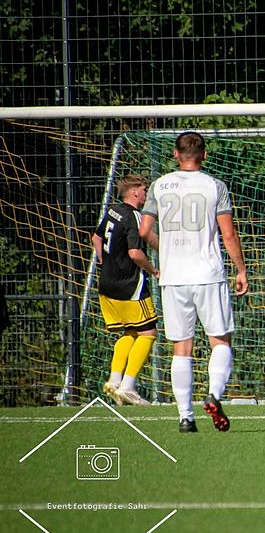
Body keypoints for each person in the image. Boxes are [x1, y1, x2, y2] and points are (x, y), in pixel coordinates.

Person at [139, 131, 248, 432]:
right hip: (208, 274)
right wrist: (241, 269)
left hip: (174, 277)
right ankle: (214, 394)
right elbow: (228, 234)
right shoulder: (215, 186)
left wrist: (167, 249)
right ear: (204, 155)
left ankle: (185, 417)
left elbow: (144, 231)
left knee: (181, 347)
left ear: (176, 154)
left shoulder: (160, 185)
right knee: (220, 340)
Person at [91, 174, 160, 406]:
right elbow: (135, 253)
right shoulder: (134, 216)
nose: (146, 194)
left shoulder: (113, 210)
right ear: (134, 192)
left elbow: (96, 238)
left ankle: (114, 381)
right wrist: (154, 271)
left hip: (107, 284)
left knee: (130, 333)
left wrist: (104, 262)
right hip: (129, 286)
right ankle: (128, 387)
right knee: (148, 333)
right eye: (144, 189)